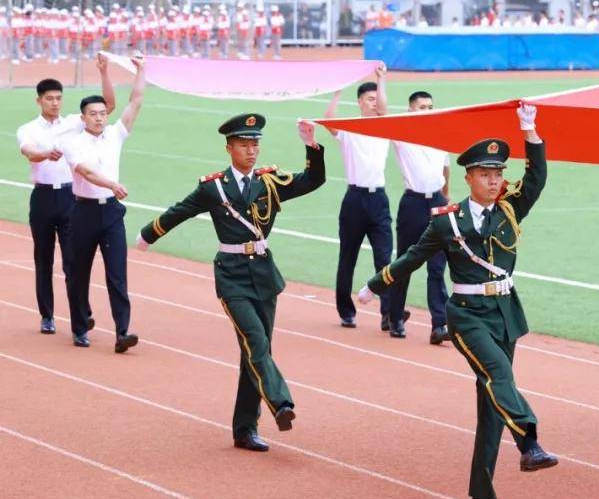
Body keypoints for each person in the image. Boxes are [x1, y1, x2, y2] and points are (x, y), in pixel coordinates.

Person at [357, 104, 558, 499]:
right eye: (485, 174)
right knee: (500, 377)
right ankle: (530, 442)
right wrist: (374, 286)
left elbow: (536, 180)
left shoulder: (508, 209)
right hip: (466, 315)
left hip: (505, 312)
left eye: (498, 173)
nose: (493, 180)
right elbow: (412, 257)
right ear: (467, 177)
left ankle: (481, 496)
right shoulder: (448, 221)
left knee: (492, 405)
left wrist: (530, 130)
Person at [135, 115, 326, 451]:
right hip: (232, 274)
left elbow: (313, 180)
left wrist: (312, 145)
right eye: (243, 144)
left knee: (254, 351)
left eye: (255, 144)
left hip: (264, 274)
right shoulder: (215, 187)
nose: (251, 150)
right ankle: (281, 403)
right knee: (256, 341)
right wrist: (148, 234)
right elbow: (181, 210)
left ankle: (244, 429)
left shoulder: (269, 182)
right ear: (229, 148)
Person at [17, 58, 114, 334]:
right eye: (50, 99)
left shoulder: (74, 122)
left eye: (59, 98)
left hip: (71, 199)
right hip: (44, 198)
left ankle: (81, 314)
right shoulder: (29, 129)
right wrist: (46, 153)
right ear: (39, 101)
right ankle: (47, 315)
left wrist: (104, 72)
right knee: (43, 259)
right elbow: (29, 152)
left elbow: (107, 106)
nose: (55, 103)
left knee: (74, 260)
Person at [60, 53, 146, 352]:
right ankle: (80, 325)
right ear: (83, 117)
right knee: (77, 272)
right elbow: (85, 171)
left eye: (102, 113)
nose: (99, 117)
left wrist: (141, 71)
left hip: (111, 212)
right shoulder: (73, 142)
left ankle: (123, 331)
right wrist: (112, 183)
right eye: (93, 114)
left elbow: (135, 102)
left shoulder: (115, 135)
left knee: (117, 274)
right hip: (82, 211)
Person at [323, 66, 394, 331]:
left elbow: (385, 109)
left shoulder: (383, 125)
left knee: (385, 259)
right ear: (360, 102)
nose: (374, 103)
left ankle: (389, 313)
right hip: (354, 199)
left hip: (379, 200)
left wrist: (380, 79)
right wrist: (338, 90)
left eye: (377, 99)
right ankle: (346, 311)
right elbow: (329, 118)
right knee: (348, 257)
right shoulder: (349, 129)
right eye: (369, 99)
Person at [386, 91, 452, 343]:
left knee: (437, 267)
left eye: (430, 106)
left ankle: (439, 324)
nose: (427, 110)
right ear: (411, 109)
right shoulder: (403, 134)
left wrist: (446, 198)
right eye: (422, 106)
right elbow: (382, 113)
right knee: (405, 262)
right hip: (413, 202)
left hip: (436, 202)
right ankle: (395, 317)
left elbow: (446, 167)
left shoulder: (439, 134)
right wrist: (382, 81)